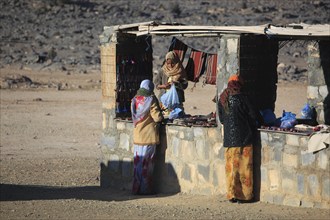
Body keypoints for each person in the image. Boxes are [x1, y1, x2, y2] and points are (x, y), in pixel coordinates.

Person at [218, 74, 258, 204]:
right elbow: (253, 116)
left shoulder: (223, 98)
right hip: (244, 138)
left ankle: (232, 194)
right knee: (244, 168)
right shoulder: (243, 98)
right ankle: (245, 196)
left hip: (229, 140)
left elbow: (222, 120)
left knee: (231, 169)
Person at [131, 79, 164, 195]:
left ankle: (136, 189)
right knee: (147, 164)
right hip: (149, 136)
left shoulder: (135, 99)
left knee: (138, 164)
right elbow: (157, 117)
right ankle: (146, 190)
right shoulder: (151, 99)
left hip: (137, 136)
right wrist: (161, 115)